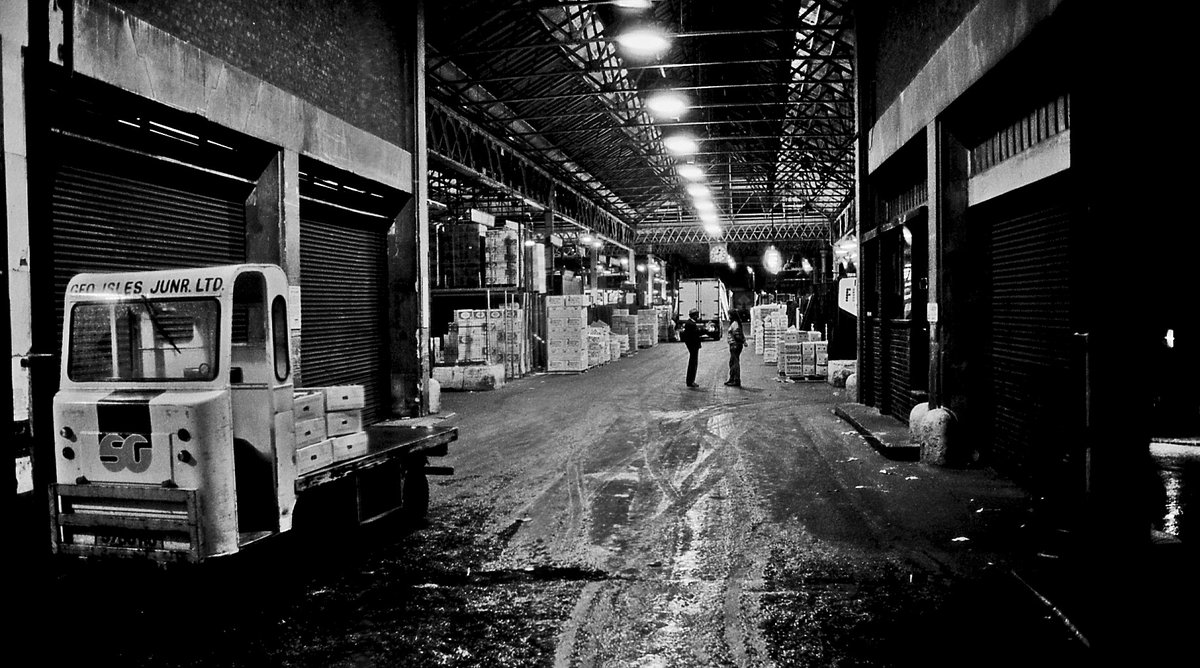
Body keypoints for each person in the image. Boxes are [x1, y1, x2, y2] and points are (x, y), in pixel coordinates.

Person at [681, 308, 702, 387]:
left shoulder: (689, 323)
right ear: (694, 316)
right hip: (693, 346)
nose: (697, 317)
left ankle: (690, 380)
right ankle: (691, 381)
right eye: (697, 315)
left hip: (692, 346)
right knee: (693, 364)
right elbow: (694, 336)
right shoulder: (691, 324)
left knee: (693, 363)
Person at [724, 312, 745, 387]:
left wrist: (740, 341)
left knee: (734, 363)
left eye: (729, 315)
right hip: (734, 344)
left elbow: (737, 334)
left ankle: (736, 380)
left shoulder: (735, 324)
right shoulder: (734, 323)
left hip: (735, 345)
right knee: (732, 362)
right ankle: (732, 378)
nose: (728, 316)